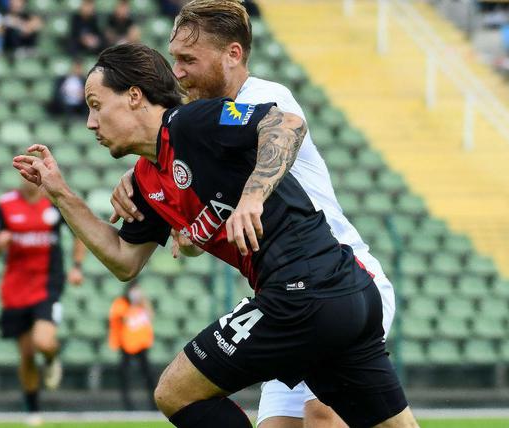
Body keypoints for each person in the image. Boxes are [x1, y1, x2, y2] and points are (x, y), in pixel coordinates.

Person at [12, 43, 418, 428]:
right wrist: (60, 192)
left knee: (175, 391)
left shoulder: (193, 122)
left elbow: (286, 123)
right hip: (341, 293)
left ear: (134, 95)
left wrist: (253, 198)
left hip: (304, 287)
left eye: (97, 106)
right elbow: (123, 259)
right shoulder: (145, 179)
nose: (90, 122)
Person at [105, 2, 397, 427]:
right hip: (285, 296)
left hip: (342, 275)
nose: (178, 72)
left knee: (322, 415)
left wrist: (251, 198)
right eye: (174, 60)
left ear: (233, 55)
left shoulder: (263, 99)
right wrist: (144, 181)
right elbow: (188, 241)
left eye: (189, 59)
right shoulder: (200, 132)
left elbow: (287, 127)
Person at [0, 177, 86, 427]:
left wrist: (77, 267)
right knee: (27, 355)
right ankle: (33, 410)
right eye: (24, 172)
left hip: (47, 284)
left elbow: (80, 233)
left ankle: (51, 358)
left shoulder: (54, 202)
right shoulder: (5, 205)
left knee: (43, 341)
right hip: (16, 288)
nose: (29, 178)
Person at [108, 281, 156, 411]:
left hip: (141, 345)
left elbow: (150, 316)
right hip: (126, 345)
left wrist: (144, 302)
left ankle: (154, 404)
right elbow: (120, 318)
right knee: (125, 375)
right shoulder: (121, 303)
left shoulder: (142, 305)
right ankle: (127, 405)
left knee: (148, 375)